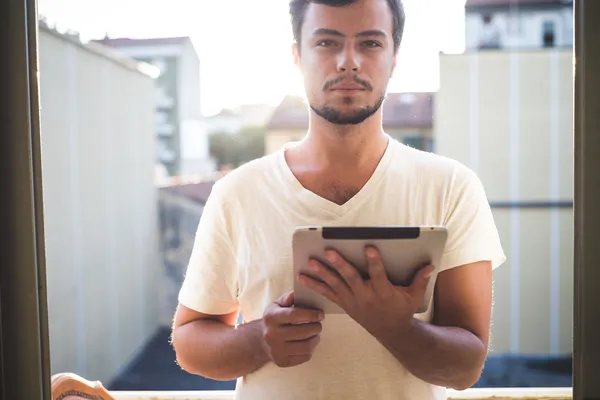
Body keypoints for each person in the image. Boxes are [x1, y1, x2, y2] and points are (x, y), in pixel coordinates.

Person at [171, 0, 506, 399]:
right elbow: (191, 341)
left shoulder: (452, 188)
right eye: (327, 43)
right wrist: (259, 340)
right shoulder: (237, 193)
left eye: (370, 44)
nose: (349, 62)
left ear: (394, 57)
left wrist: (395, 327)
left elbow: (466, 366)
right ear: (297, 56)